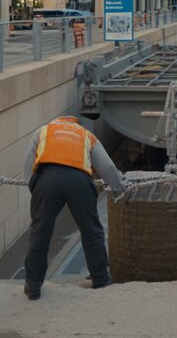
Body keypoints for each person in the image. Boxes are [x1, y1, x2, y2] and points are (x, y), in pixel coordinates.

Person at [22, 115, 125, 300]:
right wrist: (118, 189)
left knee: (39, 231)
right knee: (91, 230)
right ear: (73, 123)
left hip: (47, 179)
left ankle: (33, 285)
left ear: (57, 122)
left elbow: (29, 158)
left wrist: (33, 186)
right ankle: (100, 279)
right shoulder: (85, 134)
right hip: (79, 180)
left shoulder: (44, 130)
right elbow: (107, 167)